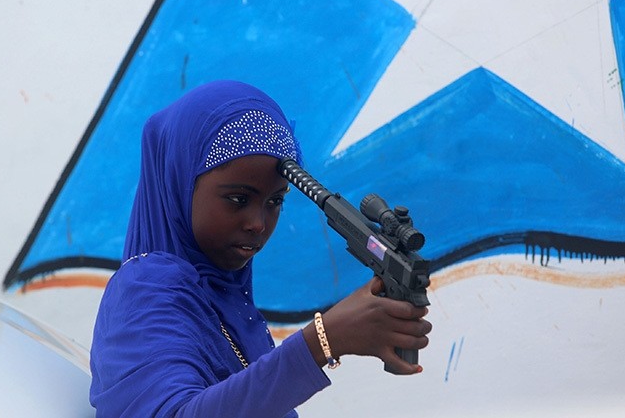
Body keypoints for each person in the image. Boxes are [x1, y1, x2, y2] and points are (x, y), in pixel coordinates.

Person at [89, 80, 432, 417]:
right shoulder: (147, 288)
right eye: (238, 199)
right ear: (180, 185)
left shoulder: (223, 298)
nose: (258, 222)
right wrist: (323, 341)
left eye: (274, 201)